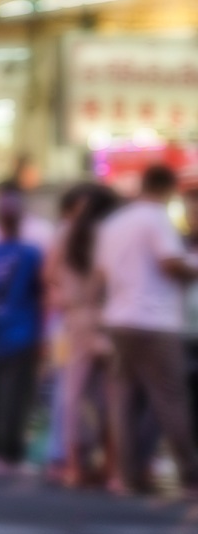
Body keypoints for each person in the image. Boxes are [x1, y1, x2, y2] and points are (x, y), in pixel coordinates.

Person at [94, 163, 198, 495]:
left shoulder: (115, 223)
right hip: (156, 320)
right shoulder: (156, 219)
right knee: (170, 398)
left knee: (123, 398)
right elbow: (170, 263)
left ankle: (125, 475)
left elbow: (101, 273)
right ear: (167, 189)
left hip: (118, 318)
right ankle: (189, 473)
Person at [46, 183, 117, 486]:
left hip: (74, 319)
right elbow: (109, 275)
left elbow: (48, 274)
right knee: (113, 395)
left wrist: (64, 294)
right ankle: (112, 465)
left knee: (72, 393)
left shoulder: (66, 233)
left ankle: (73, 464)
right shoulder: (110, 234)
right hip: (107, 317)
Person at [0, 182, 46, 474]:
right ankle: (11, 454)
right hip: (23, 330)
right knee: (17, 395)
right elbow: (40, 293)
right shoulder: (31, 253)